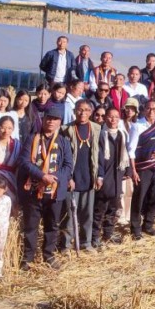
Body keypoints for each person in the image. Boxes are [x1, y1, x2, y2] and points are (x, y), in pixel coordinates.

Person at [17, 105, 73, 269]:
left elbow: (68, 166)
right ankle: (27, 258)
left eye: (55, 119)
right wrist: (42, 176)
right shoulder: (32, 138)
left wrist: (53, 179)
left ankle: (48, 255)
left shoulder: (63, 141)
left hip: (54, 192)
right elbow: (24, 161)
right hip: (34, 190)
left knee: (52, 225)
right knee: (31, 227)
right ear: (43, 119)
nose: (51, 121)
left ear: (59, 122)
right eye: (48, 118)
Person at [127, 100, 155, 240]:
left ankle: (149, 225)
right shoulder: (137, 126)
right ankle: (135, 228)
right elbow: (131, 150)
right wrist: (133, 171)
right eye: (148, 108)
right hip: (142, 168)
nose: (151, 111)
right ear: (144, 110)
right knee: (139, 198)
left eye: (154, 109)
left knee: (154, 197)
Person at [61, 100, 101, 253]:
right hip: (72, 179)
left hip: (89, 177)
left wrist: (99, 176)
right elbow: (63, 156)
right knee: (69, 214)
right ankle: (66, 245)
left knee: (87, 214)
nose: (82, 113)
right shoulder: (66, 129)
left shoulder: (96, 129)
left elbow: (101, 155)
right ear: (74, 111)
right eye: (79, 110)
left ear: (91, 112)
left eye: (86, 110)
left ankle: (86, 243)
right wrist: (67, 176)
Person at [94, 108, 129, 247]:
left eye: (116, 117)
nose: (113, 119)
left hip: (117, 176)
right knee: (99, 209)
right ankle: (95, 236)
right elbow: (98, 158)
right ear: (105, 118)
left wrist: (127, 171)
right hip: (104, 176)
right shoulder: (101, 135)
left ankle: (108, 234)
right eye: (110, 116)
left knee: (113, 208)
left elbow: (126, 154)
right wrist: (100, 175)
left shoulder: (122, 134)